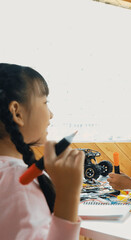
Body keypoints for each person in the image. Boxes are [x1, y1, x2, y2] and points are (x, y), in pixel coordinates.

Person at [0, 63, 85, 239]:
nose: (51, 114)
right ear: (17, 113)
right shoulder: (19, 183)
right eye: (45, 102)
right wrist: (68, 194)